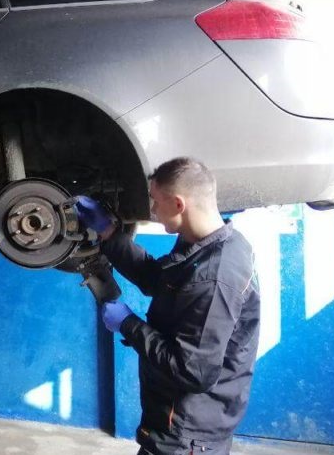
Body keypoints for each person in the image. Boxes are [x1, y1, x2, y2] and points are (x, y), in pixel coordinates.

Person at [75, 157, 260, 455]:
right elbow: (157, 279)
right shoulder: (208, 242)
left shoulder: (215, 277)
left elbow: (193, 371)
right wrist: (109, 233)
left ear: (178, 204)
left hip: (187, 435)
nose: (151, 210)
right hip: (179, 421)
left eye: (155, 201)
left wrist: (128, 324)